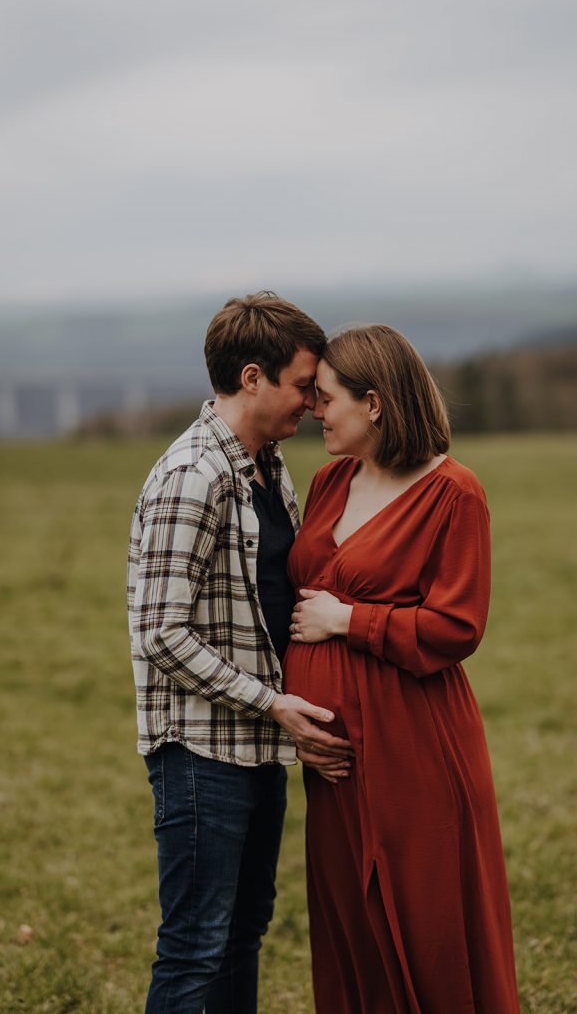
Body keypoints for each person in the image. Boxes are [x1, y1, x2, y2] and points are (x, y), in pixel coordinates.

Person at [127, 291, 354, 1014]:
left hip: (258, 746)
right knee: (196, 944)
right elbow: (161, 632)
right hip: (200, 754)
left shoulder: (267, 466)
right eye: (301, 386)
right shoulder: (192, 475)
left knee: (243, 934)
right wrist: (273, 701)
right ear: (251, 378)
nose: (313, 404)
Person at [284, 325, 521, 1013]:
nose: (314, 412)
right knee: (352, 926)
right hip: (335, 758)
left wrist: (349, 621)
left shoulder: (454, 493)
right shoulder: (330, 481)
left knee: (426, 926)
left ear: (375, 403)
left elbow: (457, 626)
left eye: (326, 399)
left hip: (415, 744)